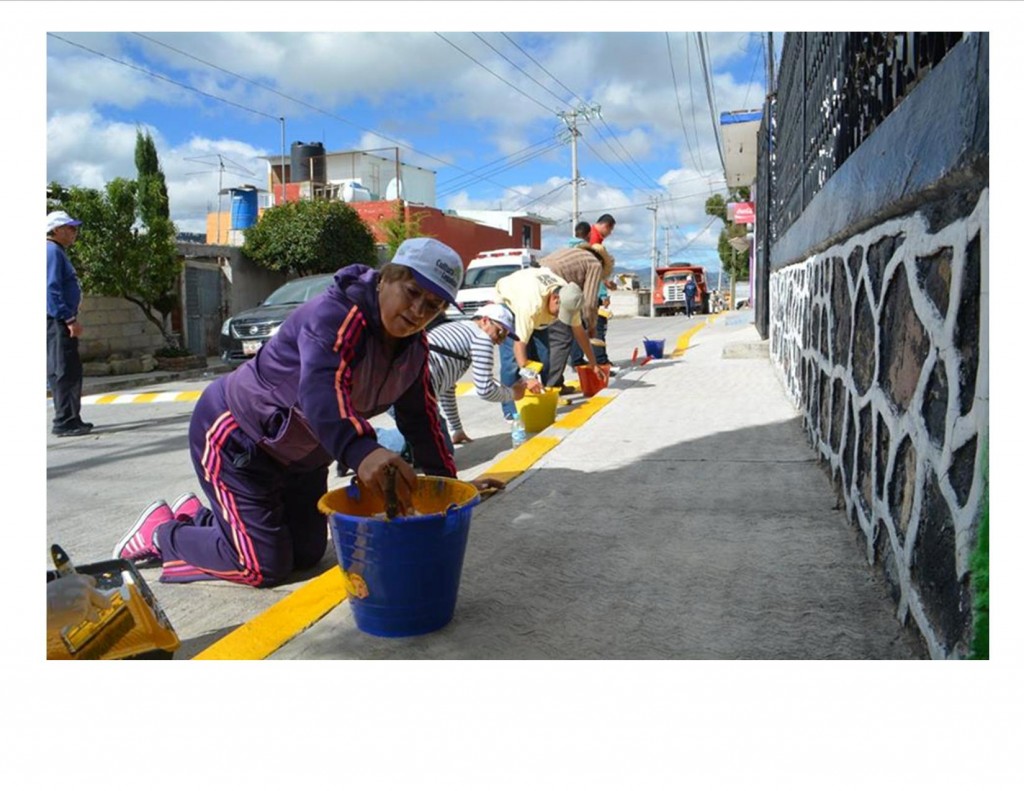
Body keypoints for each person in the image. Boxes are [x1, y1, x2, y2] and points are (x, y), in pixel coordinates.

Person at [112, 238, 503, 588]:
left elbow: (421, 418)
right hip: (237, 441)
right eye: (412, 291)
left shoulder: (414, 348)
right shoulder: (335, 316)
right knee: (263, 567)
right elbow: (320, 391)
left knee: (306, 554)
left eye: (432, 305)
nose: (418, 311)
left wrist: (448, 490)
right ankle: (162, 534)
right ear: (385, 278)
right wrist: (362, 450)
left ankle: (198, 516)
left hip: (303, 458)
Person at [493, 266, 604, 418]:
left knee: (544, 358)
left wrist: (594, 364)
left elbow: (580, 333)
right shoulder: (530, 304)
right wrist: (528, 377)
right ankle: (511, 412)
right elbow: (519, 344)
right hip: (510, 303)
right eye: (560, 312)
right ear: (554, 299)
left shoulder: (570, 297)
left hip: (540, 308)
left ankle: (538, 401)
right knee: (512, 363)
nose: (559, 317)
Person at [412, 303, 527, 446]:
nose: (500, 341)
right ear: (485, 321)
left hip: (405, 385)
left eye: (505, 337)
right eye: (500, 332)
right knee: (440, 453)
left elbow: (446, 387)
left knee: (437, 447)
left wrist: (456, 428)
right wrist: (513, 394)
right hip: (412, 392)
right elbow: (486, 390)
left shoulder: (460, 328)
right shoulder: (481, 338)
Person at [533, 244, 613, 393]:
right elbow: (589, 302)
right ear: (602, 263)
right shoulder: (594, 264)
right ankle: (553, 385)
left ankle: (544, 381)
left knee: (542, 337)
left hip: (536, 283)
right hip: (554, 290)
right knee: (561, 337)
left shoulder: (573, 254)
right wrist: (591, 325)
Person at [47, 210, 93, 437]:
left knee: (67, 369)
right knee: (65, 370)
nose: (74, 232)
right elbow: (51, 290)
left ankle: (71, 417)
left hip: (57, 320)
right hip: (58, 322)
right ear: (56, 230)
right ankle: (64, 421)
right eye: (70, 228)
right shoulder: (52, 251)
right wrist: (69, 319)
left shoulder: (56, 251)